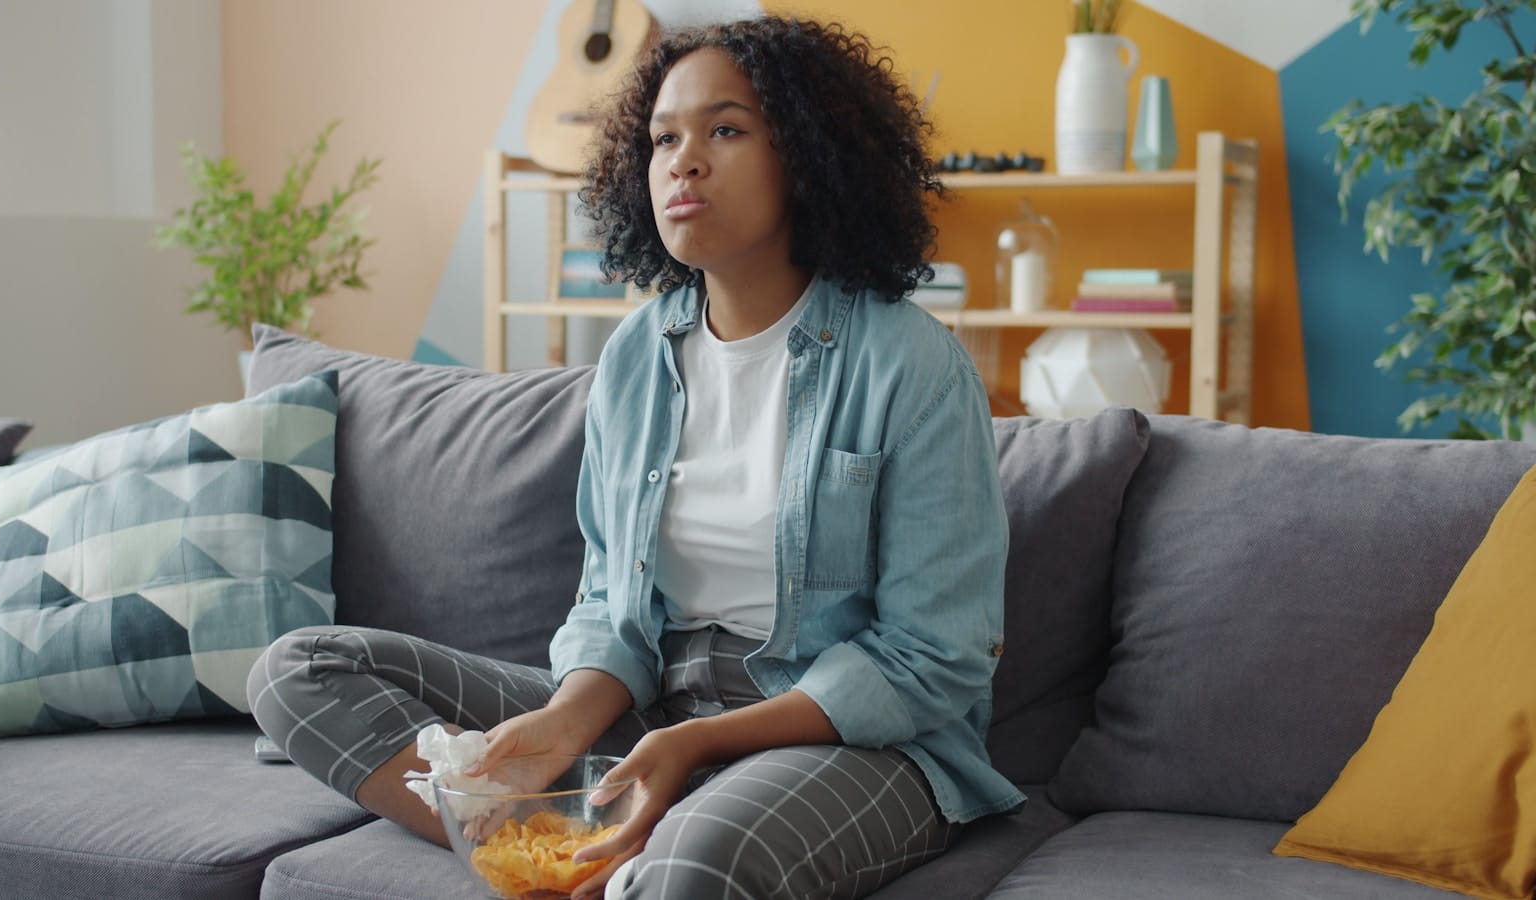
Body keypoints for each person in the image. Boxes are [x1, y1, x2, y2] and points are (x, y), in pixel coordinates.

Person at [249, 15, 1020, 900]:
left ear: (807, 154)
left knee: (699, 864)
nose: (683, 161)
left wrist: (698, 745)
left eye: (725, 130)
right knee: (300, 670)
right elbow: (611, 600)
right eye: (663, 138)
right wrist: (564, 725)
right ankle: (554, 853)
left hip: (845, 740)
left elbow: (934, 658)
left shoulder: (912, 365)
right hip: (651, 710)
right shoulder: (633, 358)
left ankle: (640, 841)